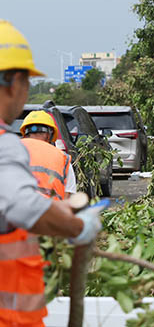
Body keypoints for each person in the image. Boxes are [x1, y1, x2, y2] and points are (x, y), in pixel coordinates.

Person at [0, 20, 102, 326]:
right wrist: (76, 226)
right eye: (28, 81)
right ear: (14, 82)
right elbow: (23, 206)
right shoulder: (6, 147)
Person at [20, 110, 78, 200]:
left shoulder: (9, 150)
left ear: (25, 133)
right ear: (49, 135)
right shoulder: (62, 158)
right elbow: (67, 196)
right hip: (50, 211)